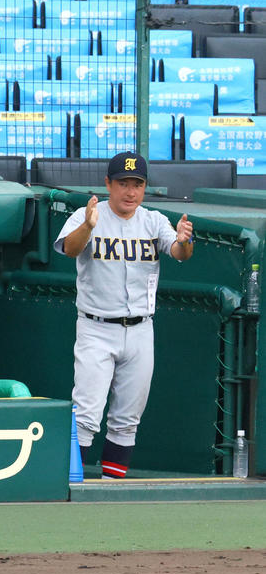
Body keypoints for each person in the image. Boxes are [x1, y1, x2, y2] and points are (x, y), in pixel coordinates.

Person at [54, 151, 195, 478]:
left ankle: (113, 491)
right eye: (123, 183)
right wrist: (88, 227)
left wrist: (186, 241)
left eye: (137, 184)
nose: (130, 191)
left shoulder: (153, 220)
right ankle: (69, 483)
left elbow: (179, 253)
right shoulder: (88, 214)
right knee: (87, 414)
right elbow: (70, 249)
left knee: (127, 419)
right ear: (108, 184)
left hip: (141, 330)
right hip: (96, 327)